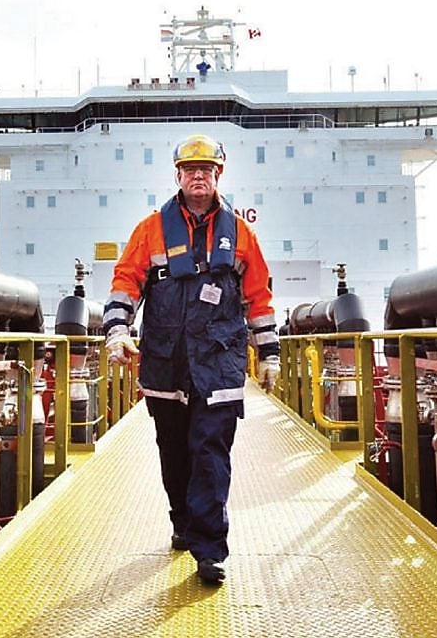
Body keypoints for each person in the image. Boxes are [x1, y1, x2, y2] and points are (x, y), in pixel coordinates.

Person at [103, 133, 280, 585]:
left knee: (210, 453)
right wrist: (119, 331)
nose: (198, 176)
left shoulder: (241, 234)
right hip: (165, 361)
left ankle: (209, 549)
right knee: (175, 451)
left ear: (218, 175)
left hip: (218, 362)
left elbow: (259, 297)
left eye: (207, 169)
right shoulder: (150, 230)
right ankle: (182, 519)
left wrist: (270, 354)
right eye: (190, 170)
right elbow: (126, 282)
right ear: (178, 176)